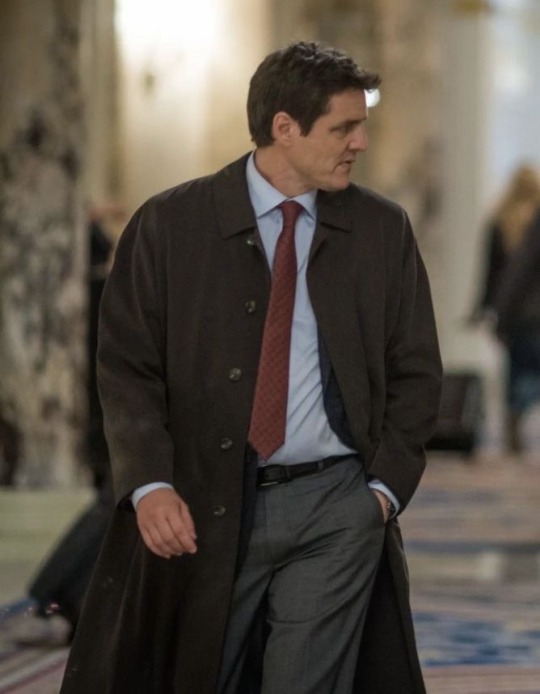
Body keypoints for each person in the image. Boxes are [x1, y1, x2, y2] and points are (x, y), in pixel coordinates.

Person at [60, 41, 442, 694]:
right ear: (284, 128)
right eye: (344, 128)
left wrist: (381, 493)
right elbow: (126, 368)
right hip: (205, 505)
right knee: (201, 675)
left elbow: (416, 369)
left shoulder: (382, 230)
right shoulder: (169, 225)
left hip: (337, 505)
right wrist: (149, 482)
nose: (361, 142)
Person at [471, 164, 540, 451]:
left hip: (517, 317)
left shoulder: (500, 220)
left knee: (516, 377)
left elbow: (494, 275)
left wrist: (491, 313)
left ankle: (514, 436)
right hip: (534, 314)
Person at [494, 206, 540, 451]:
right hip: (531, 318)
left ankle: (514, 440)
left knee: (520, 383)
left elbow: (519, 271)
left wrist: (503, 318)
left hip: (530, 319)